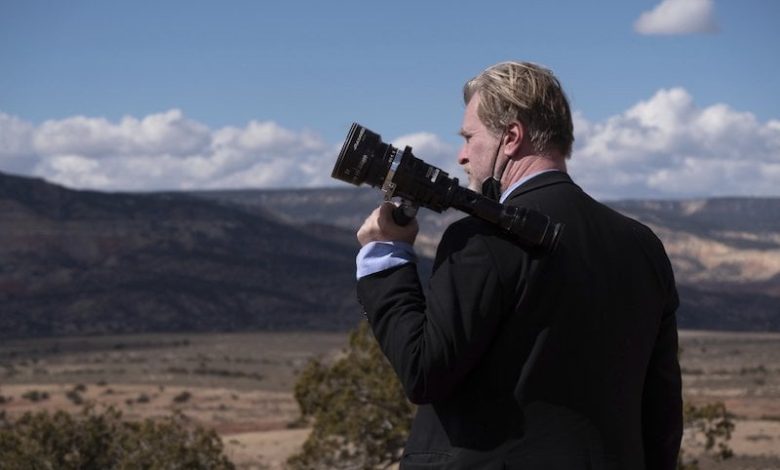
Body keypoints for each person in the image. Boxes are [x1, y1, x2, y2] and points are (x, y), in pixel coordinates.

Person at [355, 61, 682, 469]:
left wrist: (385, 257)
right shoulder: (642, 245)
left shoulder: (483, 238)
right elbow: (662, 411)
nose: (461, 155)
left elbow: (424, 370)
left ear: (511, 137)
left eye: (469, 137)